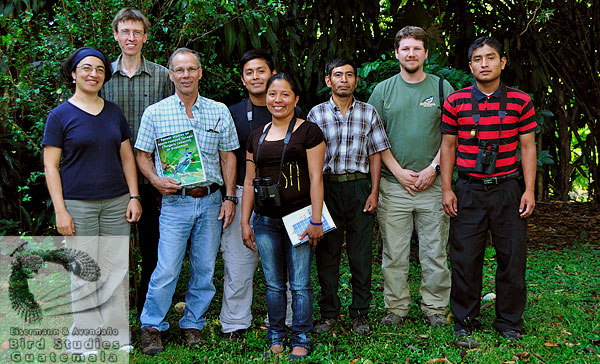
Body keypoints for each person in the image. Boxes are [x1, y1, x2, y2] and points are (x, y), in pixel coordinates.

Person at [134, 48, 239, 355]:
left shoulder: (219, 110)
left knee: (205, 268)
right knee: (166, 268)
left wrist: (230, 197)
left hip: (210, 200)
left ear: (200, 72)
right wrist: (155, 180)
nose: (186, 75)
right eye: (179, 70)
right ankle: (152, 326)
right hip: (175, 202)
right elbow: (142, 155)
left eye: (191, 69)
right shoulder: (155, 112)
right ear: (171, 75)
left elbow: (228, 155)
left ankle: (193, 324)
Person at [42, 46, 142, 355]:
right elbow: (50, 166)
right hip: (79, 204)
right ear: (73, 74)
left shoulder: (113, 111)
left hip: (116, 201)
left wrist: (134, 195)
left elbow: (127, 157)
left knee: (115, 269)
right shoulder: (60, 116)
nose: (93, 74)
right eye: (86, 68)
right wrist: (60, 210)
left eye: (99, 69)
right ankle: (84, 336)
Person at [440, 36, 537, 348]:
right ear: (470, 65)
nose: (485, 64)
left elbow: (527, 147)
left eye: (490, 57)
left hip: (508, 188)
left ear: (502, 62)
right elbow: (448, 146)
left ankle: (509, 321)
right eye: (478, 59)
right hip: (468, 189)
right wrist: (447, 189)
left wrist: (529, 190)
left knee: (512, 257)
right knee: (465, 258)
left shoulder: (520, 101)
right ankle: (464, 321)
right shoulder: (455, 102)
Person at [368, 25, 454, 327]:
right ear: (396, 53)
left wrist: (434, 168)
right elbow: (375, 138)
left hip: (433, 185)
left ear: (426, 53)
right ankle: (396, 308)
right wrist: (398, 171)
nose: (411, 53)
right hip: (394, 186)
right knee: (394, 253)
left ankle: (434, 307)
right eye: (405, 48)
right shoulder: (383, 90)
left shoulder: (442, 88)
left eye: (417, 48)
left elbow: (450, 138)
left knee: (435, 251)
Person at [241, 73, 325, 360]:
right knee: (274, 284)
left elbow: (316, 178)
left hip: (300, 218)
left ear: (295, 98)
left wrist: (316, 220)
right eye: (273, 94)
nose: (278, 100)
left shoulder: (309, 132)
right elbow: (251, 180)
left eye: (285, 94)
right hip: (265, 221)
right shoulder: (257, 136)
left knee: (300, 283)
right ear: (267, 98)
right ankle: (276, 335)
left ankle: (301, 337)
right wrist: (245, 221)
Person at [308, 58, 390, 336]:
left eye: (349, 75)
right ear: (328, 81)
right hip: (327, 188)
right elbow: (310, 161)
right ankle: (329, 313)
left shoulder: (369, 113)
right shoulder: (316, 114)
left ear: (356, 80)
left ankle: (360, 314)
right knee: (327, 255)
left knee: (360, 255)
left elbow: (376, 154)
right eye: (338, 75)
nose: (344, 79)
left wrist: (374, 191)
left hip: (358, 188)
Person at [101, 7, 174, 314]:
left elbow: (173, 125)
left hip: (153, 178)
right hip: (112, 178)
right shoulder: (101, 75)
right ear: (116, 35)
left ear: (146, 36)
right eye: (125, 32)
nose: (131, 38)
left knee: (154, 248)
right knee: (111, 251)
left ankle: (148, 312)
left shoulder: (162, 76)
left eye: (136, 32)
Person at [220, 49, 292, 340]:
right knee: (238, 263)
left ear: (272, 73)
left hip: (286, 196)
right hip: (242, 193)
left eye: (261, 71)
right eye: (249, 72)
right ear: (242, 79)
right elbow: (226, 157)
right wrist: (230, 197)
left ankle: (286, 319)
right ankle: (235, 323)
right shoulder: (232, 113)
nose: (255, 77)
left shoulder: (290, 108)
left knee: (285, 264)